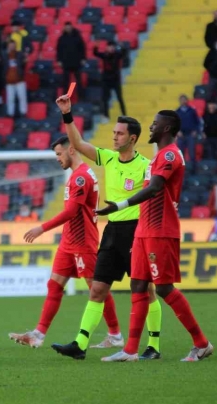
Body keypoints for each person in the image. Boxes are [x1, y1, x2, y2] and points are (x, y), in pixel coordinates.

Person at [96, 111, 214, 362]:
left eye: (155, 123)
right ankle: (130, 350)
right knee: (137, 285)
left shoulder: (170, 154)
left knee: (163, 288)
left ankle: (201, 343)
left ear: (167, 127)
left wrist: (118, 205)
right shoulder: (157, 157)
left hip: (161, 229)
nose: (151, 126)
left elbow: (155, 188)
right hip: (143, 229)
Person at [50, 97, 163, 360]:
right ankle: (80, 344)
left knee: (146, 290)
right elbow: (77, 144)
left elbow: (153, 197)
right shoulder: (109, 159)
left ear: (132, 138)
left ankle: (154, 345)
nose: (114, 137)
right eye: (113, 132)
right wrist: (67, 114)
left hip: (136, 232)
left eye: (119, 133)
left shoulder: (146, 166)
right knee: (98, 289)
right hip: (112, 232)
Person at [9, 136, 123, 348]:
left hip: (83, 242)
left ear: (71, 150)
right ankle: (38, 334)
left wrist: (41, 228)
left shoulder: (81, 177)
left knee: (96, 289)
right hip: (69, 241)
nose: (58, 158)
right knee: (54, 285)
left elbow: (72, 211)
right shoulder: (78, 175)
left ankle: (115, 335)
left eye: (59, 154)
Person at [94, 41, 127, 123]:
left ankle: (124, 115)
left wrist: (123, 47)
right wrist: (96, 47)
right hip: (106, 80)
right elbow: (96, 53)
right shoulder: (104, 55)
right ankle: (106, 116)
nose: (111, 48)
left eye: (113, 47)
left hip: (115, 80)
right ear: (107, 47)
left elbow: (124, 53)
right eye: (110, 47)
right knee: (105, 99)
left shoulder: (117, 55)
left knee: (120, 97)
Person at [57, 23, 86, 99]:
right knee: (65, 81)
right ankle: (65, 97)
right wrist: (59, 60)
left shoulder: (78, 37)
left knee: (78, 82)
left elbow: (82, 49)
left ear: (72, 28)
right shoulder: (61, 38)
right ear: (64, 28)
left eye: (69, 27)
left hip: (76, 62)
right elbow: (59, 50)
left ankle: (81, 97)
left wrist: (83, 58)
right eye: (66, 27)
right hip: (66, 63)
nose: (68, 29)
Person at [4, 40, 27, 117]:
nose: (12, 47)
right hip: (9, 80)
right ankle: (10, 114)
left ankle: (23, 113)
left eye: (13, 45)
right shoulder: (5, 55)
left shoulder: (20, 54)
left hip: (19, 79)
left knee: (22, 97)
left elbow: (23, 64)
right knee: (10, 99)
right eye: (10, 45)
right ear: (8, 46)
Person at [177, 94, 202, 165]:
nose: (183, 101)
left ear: (187, 100)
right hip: (181, 135)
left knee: (192, 153)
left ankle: (193, 170)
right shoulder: (177, 112)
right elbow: (174, 124)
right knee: (181, 154)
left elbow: (197, 122)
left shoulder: (192, 111)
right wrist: (178, 132)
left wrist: (195, 131)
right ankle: (182, 170)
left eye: (184, 99)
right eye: (181, 100)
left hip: (190, 134)